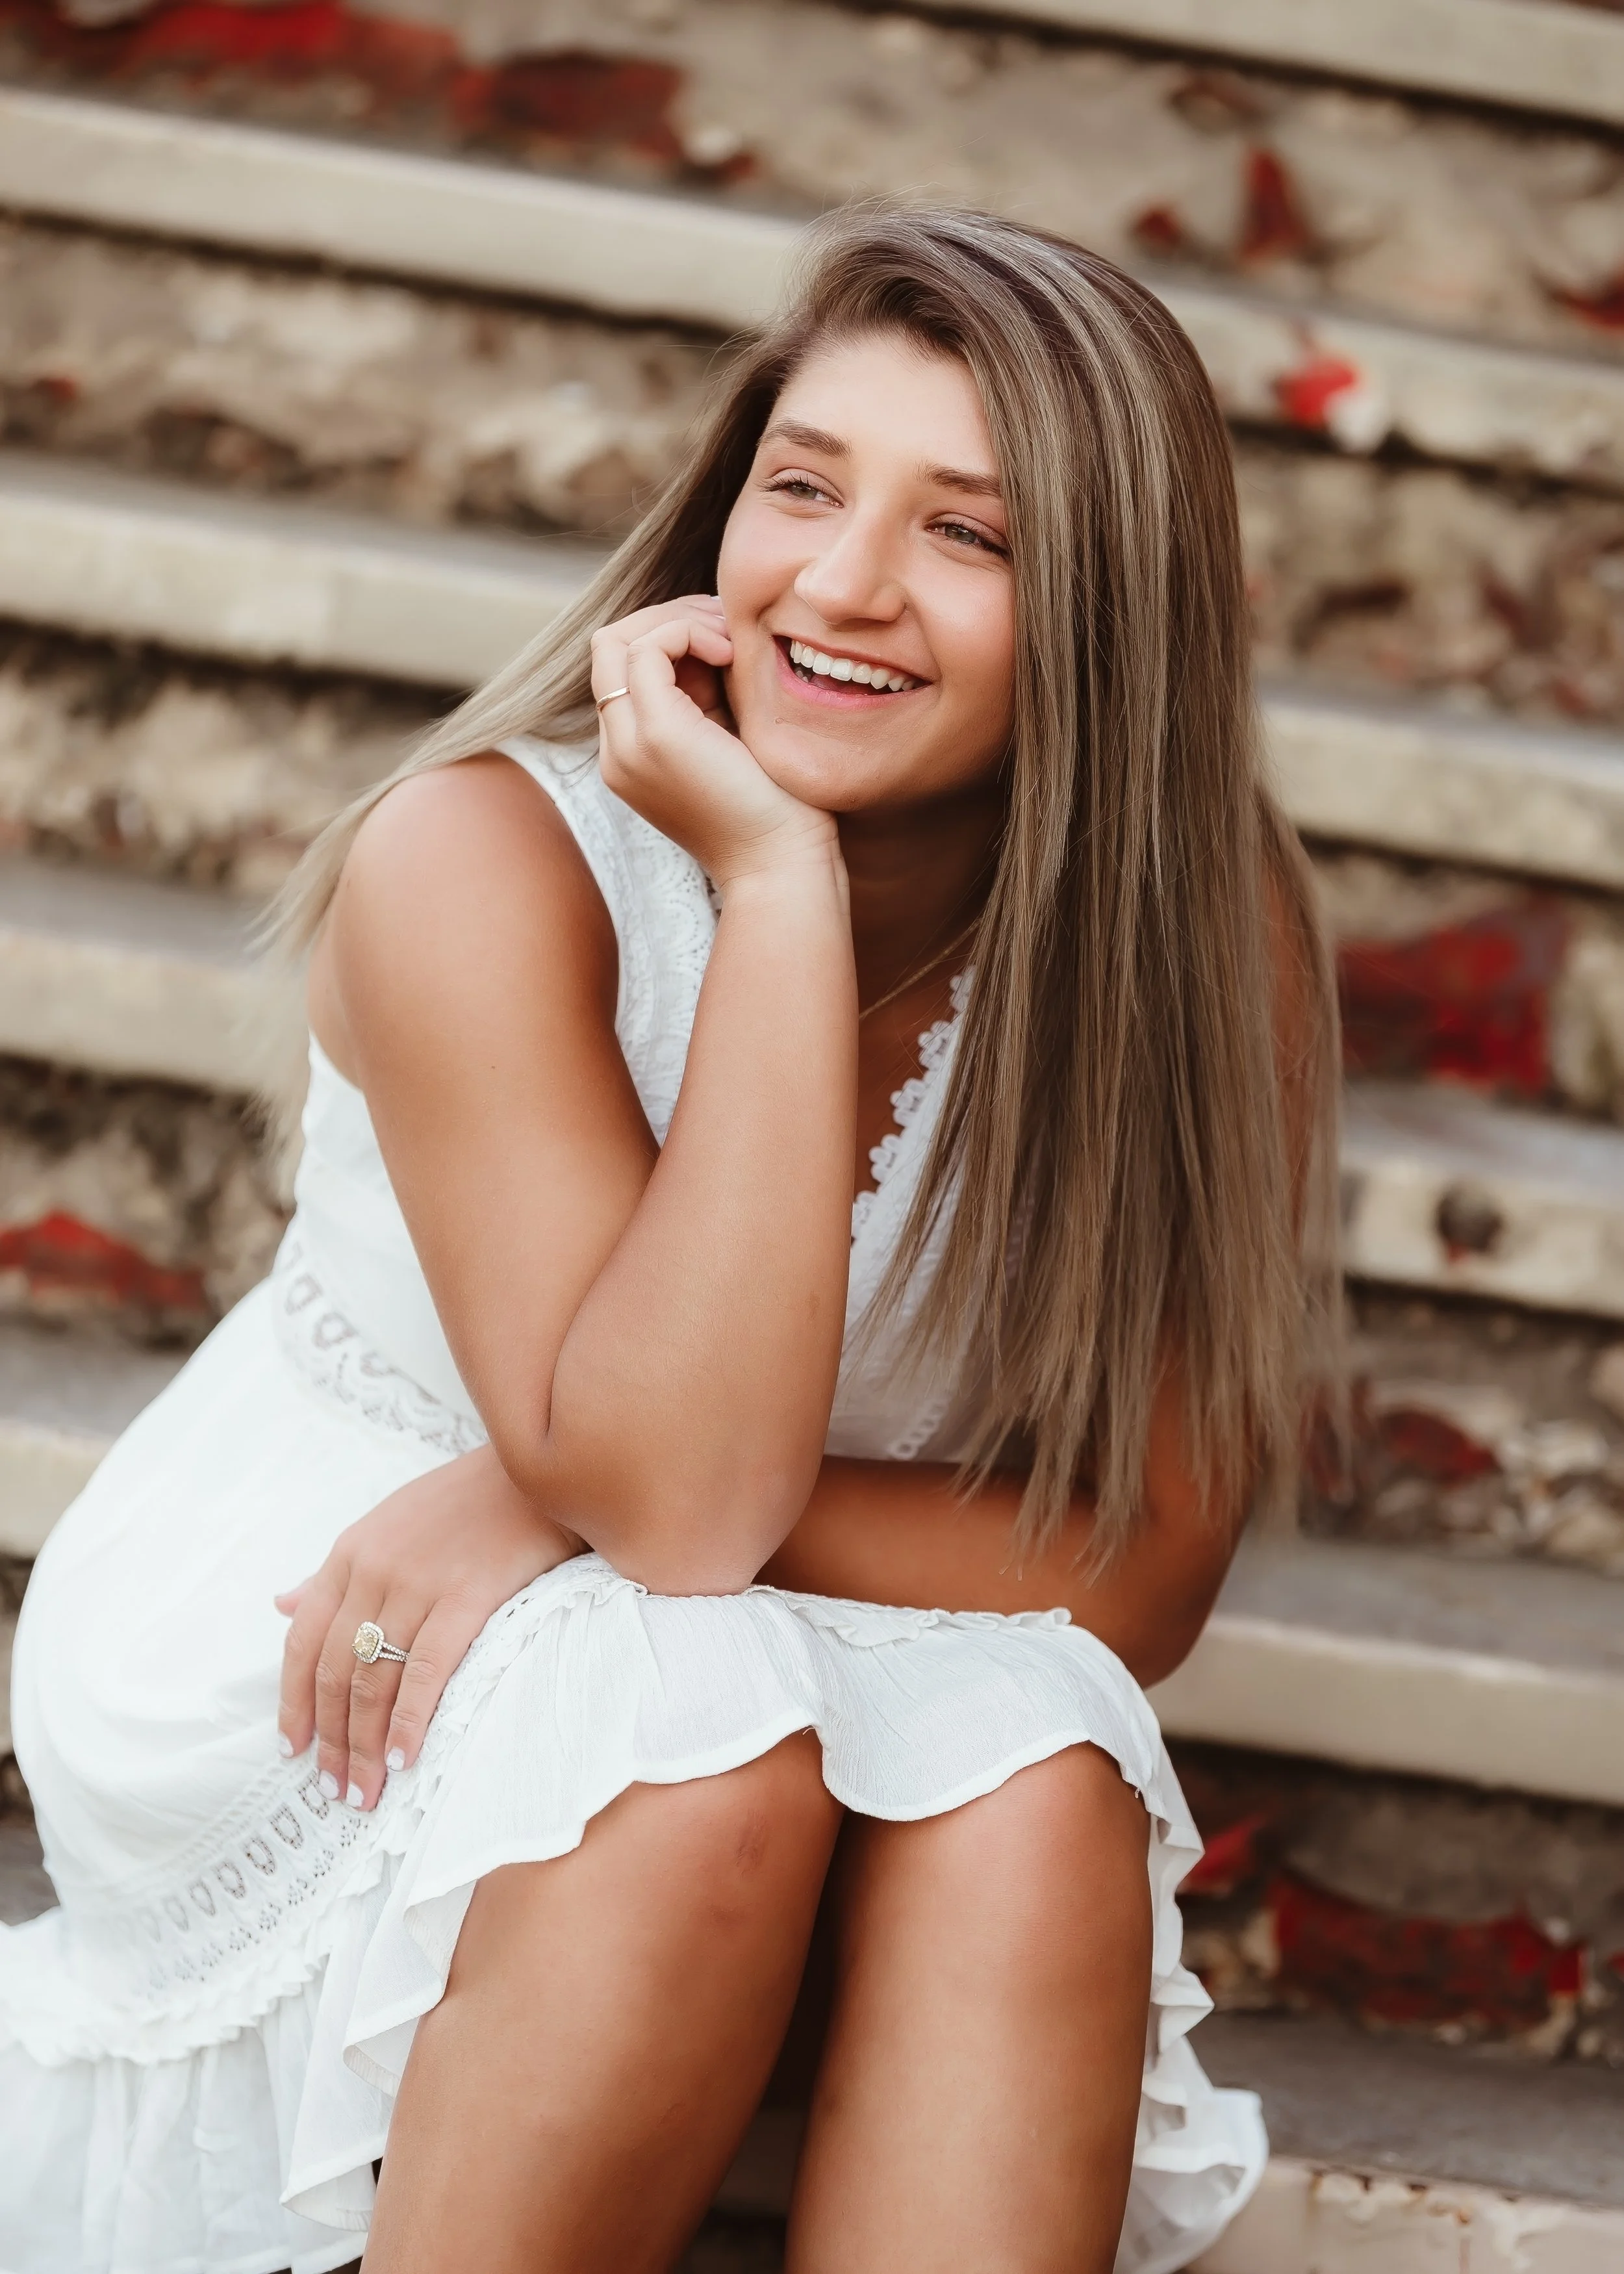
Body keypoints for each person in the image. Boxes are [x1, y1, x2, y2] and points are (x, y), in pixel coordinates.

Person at [1, 205, 1338, 2274]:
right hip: (339, 1610)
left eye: (966, 535)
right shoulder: (479, 854)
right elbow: (680, 1503)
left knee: (1043, 1780)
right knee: (691, 1723)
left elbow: (1139, 1562)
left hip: (653, 1567)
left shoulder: (1194, 931)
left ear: (1108, 609)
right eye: (800, 487)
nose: (841, 582)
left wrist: (541, 1503)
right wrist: (775, 887)